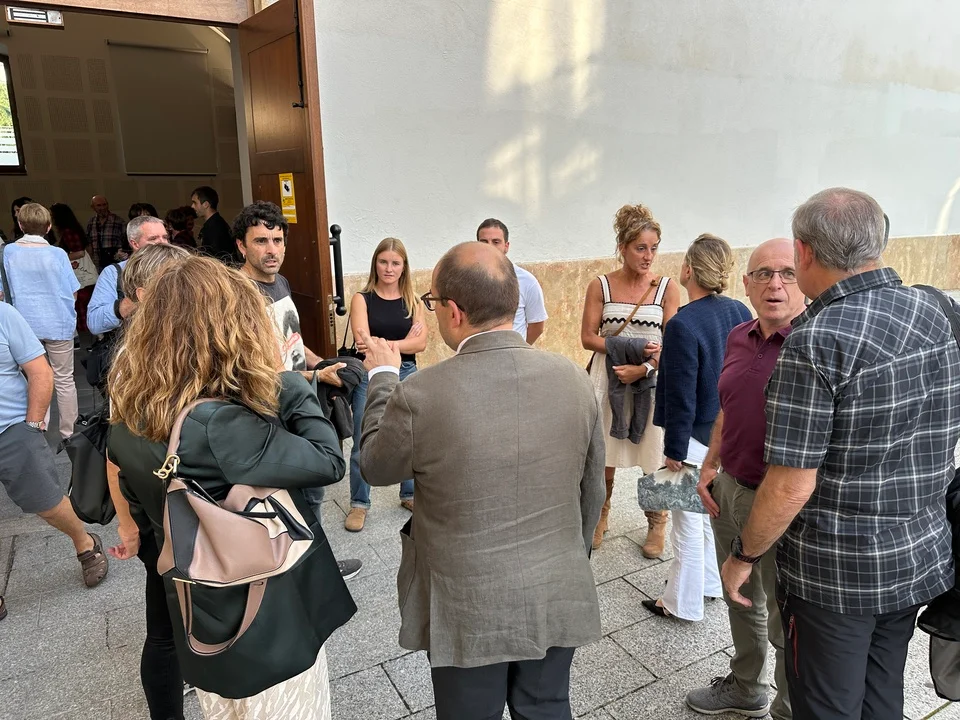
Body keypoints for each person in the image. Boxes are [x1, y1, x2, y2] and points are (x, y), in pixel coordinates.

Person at [720, 188, 960, 720]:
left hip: (835, 576)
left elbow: (790, 484)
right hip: (918, 553)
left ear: (805, 252)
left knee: (826, 704)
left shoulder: (815, 341)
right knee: (882, 691)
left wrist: (743, 557)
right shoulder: (938, 307)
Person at [358, 241, 605, 720]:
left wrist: (383, 376)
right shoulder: (573, 378)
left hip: (465, 600)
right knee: (546, 707)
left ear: (453, 311)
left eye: (432, 302)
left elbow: (375, 466)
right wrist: (568, 558)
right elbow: (591, 491)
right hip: (555, 584)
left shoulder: (419, 394)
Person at [108, 255, 356, 720]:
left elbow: (144, 510)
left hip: (200, 622)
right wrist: (290, 384)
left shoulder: (128, 417)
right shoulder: (221, 425)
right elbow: (327, 460)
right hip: (266, 624)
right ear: (232, 330)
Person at [684, 238, 804, 718]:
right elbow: (727, 406)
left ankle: (789, 707)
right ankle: (746, 685)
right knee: (738, 595)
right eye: (763, 274)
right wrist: (710, 464)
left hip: (778, 500)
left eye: (787, 273)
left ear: (804, 280)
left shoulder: (811, 343)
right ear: (746, 284)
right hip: (729, 489)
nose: (775, 284)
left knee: (783, 615)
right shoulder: (739, 335)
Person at [233, 201, 362, 579]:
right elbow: (254, 367)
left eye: (277, 240)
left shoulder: (281, 283)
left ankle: (311, 566)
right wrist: (318, 378)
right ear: (241, 246)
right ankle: (306, 572)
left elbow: (292, 342)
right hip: (267, 407)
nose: (271, 249)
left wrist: (324, 364)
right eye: (261, 241)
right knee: (289, 492)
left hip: (298, 399)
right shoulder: (237, 293)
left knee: (312, 487)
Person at [102, 243, 191, 718]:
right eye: (174, 281)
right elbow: (115, 455)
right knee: (164, 628)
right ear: (142, 292)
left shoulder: (183, 342)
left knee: (176, 619)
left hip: (185, 507)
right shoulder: (130, 360)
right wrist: (127, 524)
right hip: (161, 514)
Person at [642, 234, 751, 622]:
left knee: (686, 524)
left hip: (692, 439)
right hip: (728, 433)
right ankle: (709, 584)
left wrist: (673, 447)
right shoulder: (740, 310)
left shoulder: (682, 324)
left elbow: (682, 394)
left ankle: (680, 604)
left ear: (688, 269)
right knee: (706, 517)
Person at [580, 203, 680, 553]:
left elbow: (673, 342)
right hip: (607, 379)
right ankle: (600, 513)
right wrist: (630, 348)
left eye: (654, 248)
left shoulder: (666, 288)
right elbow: (588, 338)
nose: (648, 256)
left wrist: (643, 366)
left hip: (650, 381)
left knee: (654, 452)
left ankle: (657, 521)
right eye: (640, 248)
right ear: (622, 247)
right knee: (603, 451)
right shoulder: (601, 286)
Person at [0, 301, 108, 621]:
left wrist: (32, 426)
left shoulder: (4, 315)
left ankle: (84, 542)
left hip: (11, 429)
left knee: (46, 503)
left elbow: (40, 371)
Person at [343, 238, 426, 532]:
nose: (389, 268)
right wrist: (403, 342)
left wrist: (385, 344)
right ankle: (359, 502)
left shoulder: (413, 301)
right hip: (371, 372)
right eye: (383, 262)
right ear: (375, 264)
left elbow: (422, 343)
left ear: (404, 267)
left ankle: (409, 494)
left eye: (395, 263)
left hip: (407, 370)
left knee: (411, 434)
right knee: (362, 435)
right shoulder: (361, 298)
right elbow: (363, 343)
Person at [2, 203, 81, 440]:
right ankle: (69, 433)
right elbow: (73, 291)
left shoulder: (8, 252)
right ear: (48, 227)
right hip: (58, 323)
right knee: (64, 379)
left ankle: (37, 427)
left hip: (23, 324)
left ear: (20, 225)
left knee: (31, 377)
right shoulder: (58, 254)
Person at [87, 215, 169, 336]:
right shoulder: (114, 272)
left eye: (165, 237)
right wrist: (135, 300)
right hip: (133, 343)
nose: (162, 243)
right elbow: (95, 323)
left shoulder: (180, 267)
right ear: (134, 244)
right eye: (153, 238)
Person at [476, 218, 548, 344]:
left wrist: (519, 347)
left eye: (496, 242)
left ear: (506, 246)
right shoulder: (469, 280)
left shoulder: (527, 281)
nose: (490, 247)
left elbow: (537, 325)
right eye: (484, 242)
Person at [50, 203, 95, 334]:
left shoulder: (68, 231)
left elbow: (79, 253)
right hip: (83, 273)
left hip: (78, 273)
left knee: (80, 303)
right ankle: (95, 334)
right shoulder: (74, 228)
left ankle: (91, 333)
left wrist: (60, 258)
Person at [192, 185, 235, 263]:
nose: (192, 206)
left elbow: (219, 258)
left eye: (195, 203)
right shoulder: (214, 224)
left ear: (206, 204)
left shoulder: (215, 227)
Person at [86, 195, 127, 270]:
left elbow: (126, 241)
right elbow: (89, 243)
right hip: (97, 263)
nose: (102, 208)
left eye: (104, 204)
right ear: (93, 207)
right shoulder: (91, 223)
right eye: (99, 205)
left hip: (115, 262)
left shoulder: (118, 221)